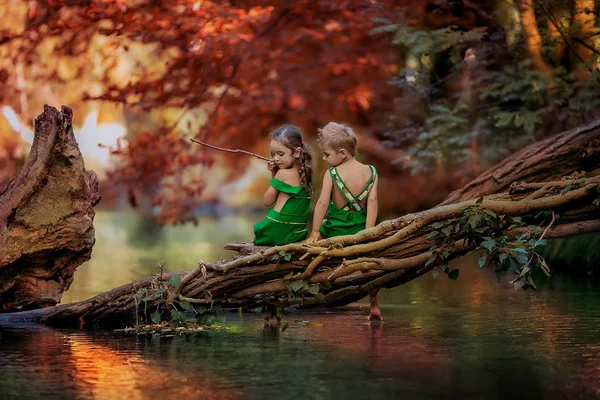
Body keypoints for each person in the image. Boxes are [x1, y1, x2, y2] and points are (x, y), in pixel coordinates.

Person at [306, 122, 381, 321]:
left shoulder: (332, 173)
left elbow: (322, 203)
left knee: (316, 251)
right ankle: (374, 307)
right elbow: (372, 203)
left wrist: (314, 232)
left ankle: (313, 295)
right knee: (368, 268)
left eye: (327, 154)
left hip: (335, 230)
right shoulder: (371, 172)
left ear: (342, 153)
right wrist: (368, 234)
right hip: (359, 231)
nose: (324, 158)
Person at [253, 125, 313, 246]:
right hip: (297, 232)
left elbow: (268, 201)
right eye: (273, 154)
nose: (275, 159)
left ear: (297, 152)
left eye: (280, 154)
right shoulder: (306, 175)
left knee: (258, 231)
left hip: (276, 230)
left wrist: (273, 174)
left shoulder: (282, 174)